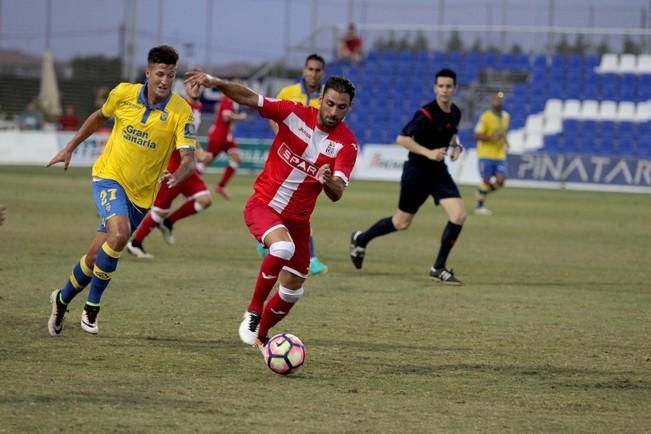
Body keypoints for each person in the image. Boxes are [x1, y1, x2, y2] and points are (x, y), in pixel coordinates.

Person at [185, 69, 358, 348]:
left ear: (348, 108)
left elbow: (337, 192)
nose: (333, 111)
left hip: (298, 222)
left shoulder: (346, 144)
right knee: (282, 248)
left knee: (293, 289)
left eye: (341, 107)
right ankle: (253, 311)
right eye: (330, 103)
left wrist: (327, 181)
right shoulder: (294, 113)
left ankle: (261, 336)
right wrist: (216, 82)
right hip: (264, 205)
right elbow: (249, 98)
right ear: (321, 99)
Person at [46, 45, 197, 336]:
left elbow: (188, 159)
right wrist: (69, 147)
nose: (165, 81)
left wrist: (179, 174)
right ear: (148, 73)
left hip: (141, 196)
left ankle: (61, 299)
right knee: (119, 234)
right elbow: (98, 117)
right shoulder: (124, 94)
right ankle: (92, 308)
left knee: (94, 258)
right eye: (161, 74)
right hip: (108, 177)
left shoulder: (181, 111)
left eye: (171, 75)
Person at [349, 68, 466, 285]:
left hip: (439, 173)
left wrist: (456, 147)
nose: (444, 90)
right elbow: (402, 139)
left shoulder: (456, 112)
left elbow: (453, 135)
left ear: (455, 88)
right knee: (401, 223)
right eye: (441, 86)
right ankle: (361, 238)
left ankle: (438, 267)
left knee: (458, 215)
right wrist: (429, 152)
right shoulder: (426, 113)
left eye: (449, 86)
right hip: (417, 173)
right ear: (435, 88)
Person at [126, 80, 213, 259]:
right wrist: (198, 152)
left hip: (186, 167)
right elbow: (176, 134)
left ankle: (168, 221)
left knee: (205, 199)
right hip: (173, 166)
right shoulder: (180, 106)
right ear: (185, 87)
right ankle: (135, 243)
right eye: (192, 85)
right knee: (159, 209)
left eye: (199, 85)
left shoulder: (198, 106)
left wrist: (200, 150)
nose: (196, 88)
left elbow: (190, 135)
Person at [265, 53, 329, 276]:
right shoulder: (288, 93)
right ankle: (302, 254)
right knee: (281, 203)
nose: (313, 73)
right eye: (310, 69)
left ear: (322, 73)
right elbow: (273, 113)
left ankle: (280, 245)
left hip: (309, 165)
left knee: (301, 208)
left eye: (317, 70)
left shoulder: (325, 98)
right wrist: (282, 135)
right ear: (304, 70)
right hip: (286, 160)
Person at [198, 80, 248, 200]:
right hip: (219, 137)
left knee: (236, 157)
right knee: (206, 160)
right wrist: (240, 117)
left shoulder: (232, 101)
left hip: (227, 138)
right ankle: (188, 182)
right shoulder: (228, 99)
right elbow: (226, 117)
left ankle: (220, 186)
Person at [473, 91, 510, 215]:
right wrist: (490, 137)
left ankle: (481, 192)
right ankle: (480, 207)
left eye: (499, 99)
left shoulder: (506, 116)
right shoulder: (486, 116)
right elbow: (476, 135)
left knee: (501, 181)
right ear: (492, 101)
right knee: (486, 180)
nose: (497, 102)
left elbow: (503, 132)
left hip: (499, 154)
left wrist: (506, 142)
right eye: (495, 99)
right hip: (485, 154)